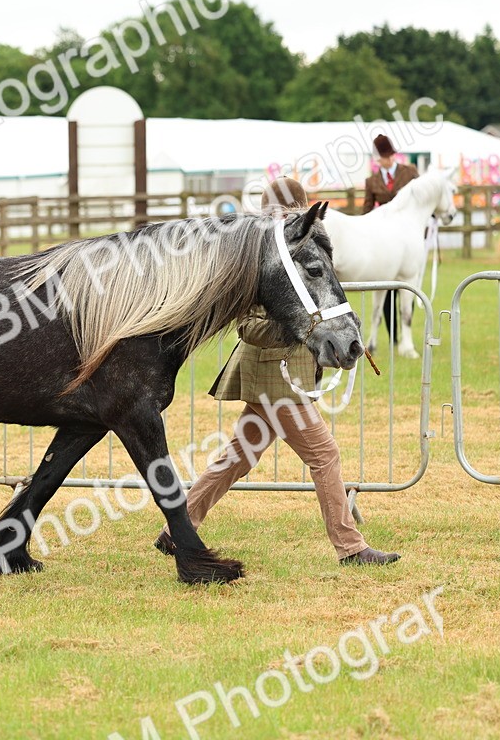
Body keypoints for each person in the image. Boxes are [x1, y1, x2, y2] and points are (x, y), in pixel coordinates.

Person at [154, 177, 401, 567]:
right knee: (325, 454)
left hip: (280, 378)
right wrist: (302, 328)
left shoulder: (292, 250)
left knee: (237, 458)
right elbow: (249, 328)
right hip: (276, 379)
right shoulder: (260, 257)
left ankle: (177, 529)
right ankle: (350, 547)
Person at [362, 134, 419, 343]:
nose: (382, 160)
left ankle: (406, 333)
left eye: (385, 156)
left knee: (407, 286)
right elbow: (367, 210)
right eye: (379, 157)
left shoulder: (410, 173)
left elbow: (421, 196)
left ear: (392, 156)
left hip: (408, 238)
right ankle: (393, 337)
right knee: (386, 289)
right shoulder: (372, 181)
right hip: (385, 241)